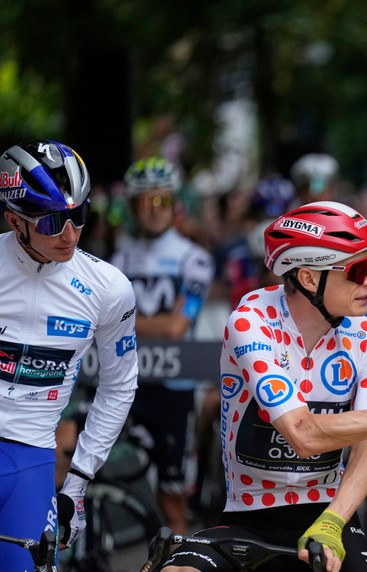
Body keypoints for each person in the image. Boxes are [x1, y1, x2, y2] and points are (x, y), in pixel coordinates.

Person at [160, 201, 367, 572]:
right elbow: (302, 434)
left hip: (331, 511)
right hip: (250, 516)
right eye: (358, 269)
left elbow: (366, 449)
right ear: (309, 278)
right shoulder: (252, 321)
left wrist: (332, 523)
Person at [0, 140, 139, 569]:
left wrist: (77, 483)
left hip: (31, 457)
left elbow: (119, 385)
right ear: (14, 220)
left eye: (79, 216)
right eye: (53, 222)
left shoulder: (108, 288)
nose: (70, 234)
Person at [111, 157, 216, 535]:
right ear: (132, 208)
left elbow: (175, 327)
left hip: (175, 387)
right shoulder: (118, 258)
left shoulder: (195, 258)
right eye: (145, 202)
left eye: (163, 202)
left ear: (176, 205)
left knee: (173, 502)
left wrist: (126, 324)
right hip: (127, 383)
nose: (154, 211)